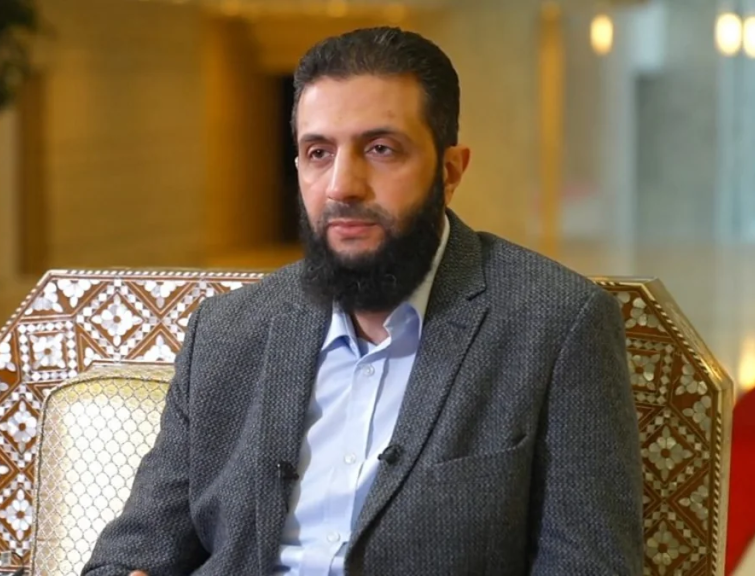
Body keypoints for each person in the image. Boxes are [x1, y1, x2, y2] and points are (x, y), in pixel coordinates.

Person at [82, 26, 644, 576]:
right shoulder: (226, 330)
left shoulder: (556, 325)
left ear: (449, 172)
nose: (341, 186)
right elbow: (130, 554)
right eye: (318, 152)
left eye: (380, 149)